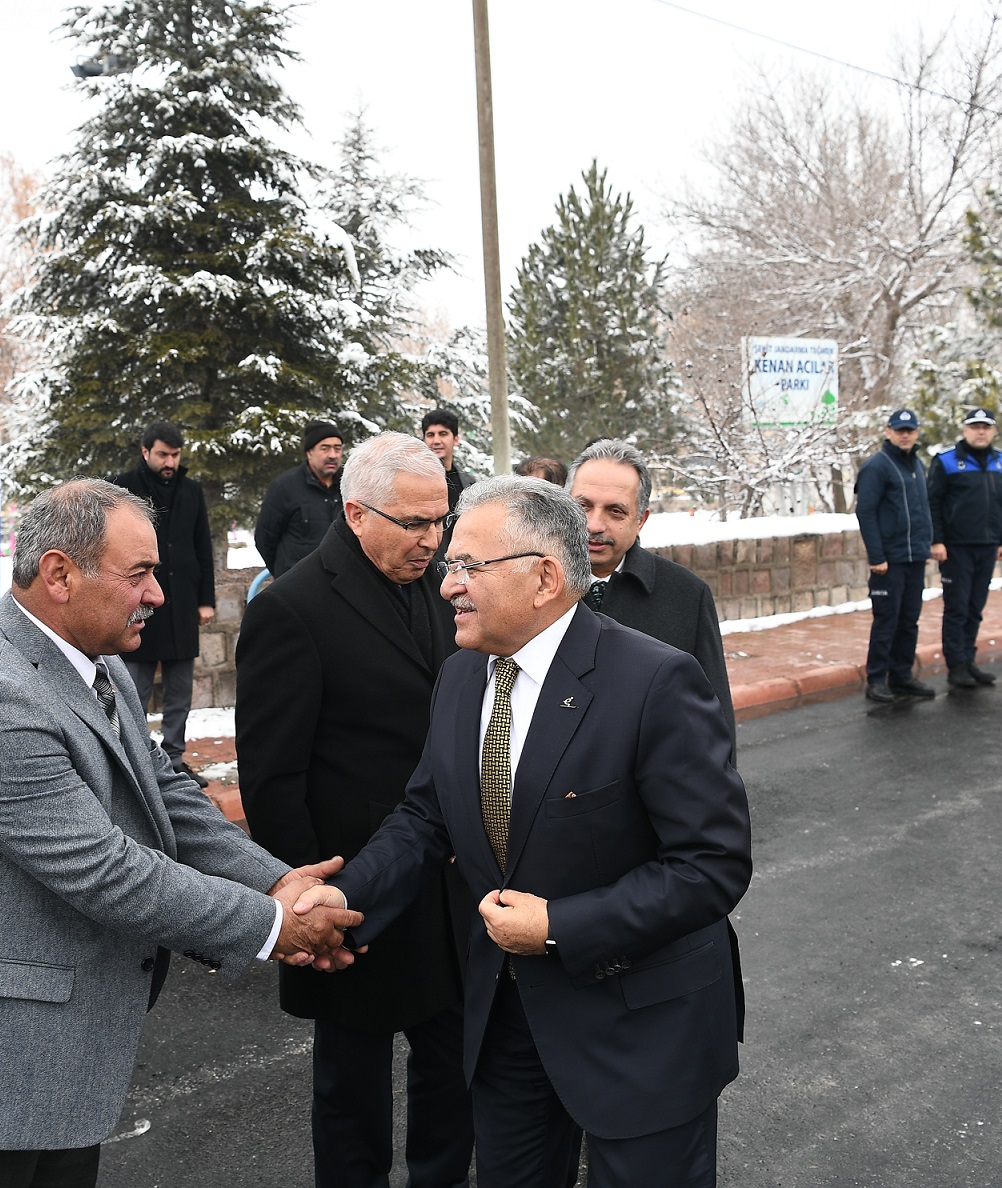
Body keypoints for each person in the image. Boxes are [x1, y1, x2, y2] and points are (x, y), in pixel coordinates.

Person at [0, 478, 360, 1186]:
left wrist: (275, 879)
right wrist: (275, 925)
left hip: (46, 1074)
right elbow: (105, 870)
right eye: (138, 574)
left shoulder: (96, 660)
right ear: (58, 573)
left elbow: (162, 790)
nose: (158, 596)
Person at [316, 476, 751, 1188]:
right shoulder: (460, 677)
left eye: (466, 566)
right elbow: (425, 816)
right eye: (449, 565)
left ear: (543, 576)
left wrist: (558, 925)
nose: (446, 584)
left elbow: (712, 865)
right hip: (507, 1022)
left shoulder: (655, 682)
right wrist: (345, 903)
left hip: (641, 1027)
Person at [237, 433, 473, 1188]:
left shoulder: (441, 592)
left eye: (440, 521)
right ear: (355, 513)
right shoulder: (290, 609)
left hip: (446, 885)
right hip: (351, 891)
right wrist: (309, 904)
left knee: (453, 1067)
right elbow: (273, 780)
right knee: (352, 1088)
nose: (430, 540)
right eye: (412, 523)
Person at [568, 439, 735, 739]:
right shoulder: (529, 586)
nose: (594, 524)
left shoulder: (686, 596)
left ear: (640, 520)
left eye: (615, 511)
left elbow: (711, 714)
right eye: (583, 506)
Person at [112, 422, 216, 787]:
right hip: (139, 601)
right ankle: (137, 758)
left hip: (184, 604)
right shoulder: (124, 488)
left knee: (179, 690)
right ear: (146, 452)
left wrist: (206, 600)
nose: (170, 461)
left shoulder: (191, 490)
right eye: (162, 454)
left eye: (175, 454)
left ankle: (174, 758)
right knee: (133, 688)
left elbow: (203, 546)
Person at [927, 408, 1002, 689]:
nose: (981, 432)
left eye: (986, 427)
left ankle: (969, 659)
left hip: (988, 546)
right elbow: (933, 503)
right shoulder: (947, 462)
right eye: (975, 426)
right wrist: (936, 540)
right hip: (956, 548)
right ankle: (956, 665)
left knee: (976, 607)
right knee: (957, 607)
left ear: (993, 431)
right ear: (965, 430)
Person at [855, 409, 936, 703]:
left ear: (916, 433)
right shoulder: (877, 466)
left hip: (914, 558)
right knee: (886, 620)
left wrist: (925, 546)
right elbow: (866, 512)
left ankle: (901, 675)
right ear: (888, 432)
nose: (905, 435)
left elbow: (923, 509)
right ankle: (877, 678)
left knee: (909, 620)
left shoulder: (917, 464)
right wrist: (877, 556)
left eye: (910, 430)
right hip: (888, 561)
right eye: (899, 430)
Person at [255, 419, 346, 577]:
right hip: (297, 586)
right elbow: (265, 539)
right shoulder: (284, 487)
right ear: (309, 452)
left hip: (342, 582)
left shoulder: (349, 485)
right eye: (324, 449)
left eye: (337, 449)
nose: (332, 455)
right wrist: (284, 574)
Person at [422, 409, 478, 510]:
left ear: (456, 440)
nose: (436, 441)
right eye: (430, 435)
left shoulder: (469, 484)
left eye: (443, 434)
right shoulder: (415, 481)